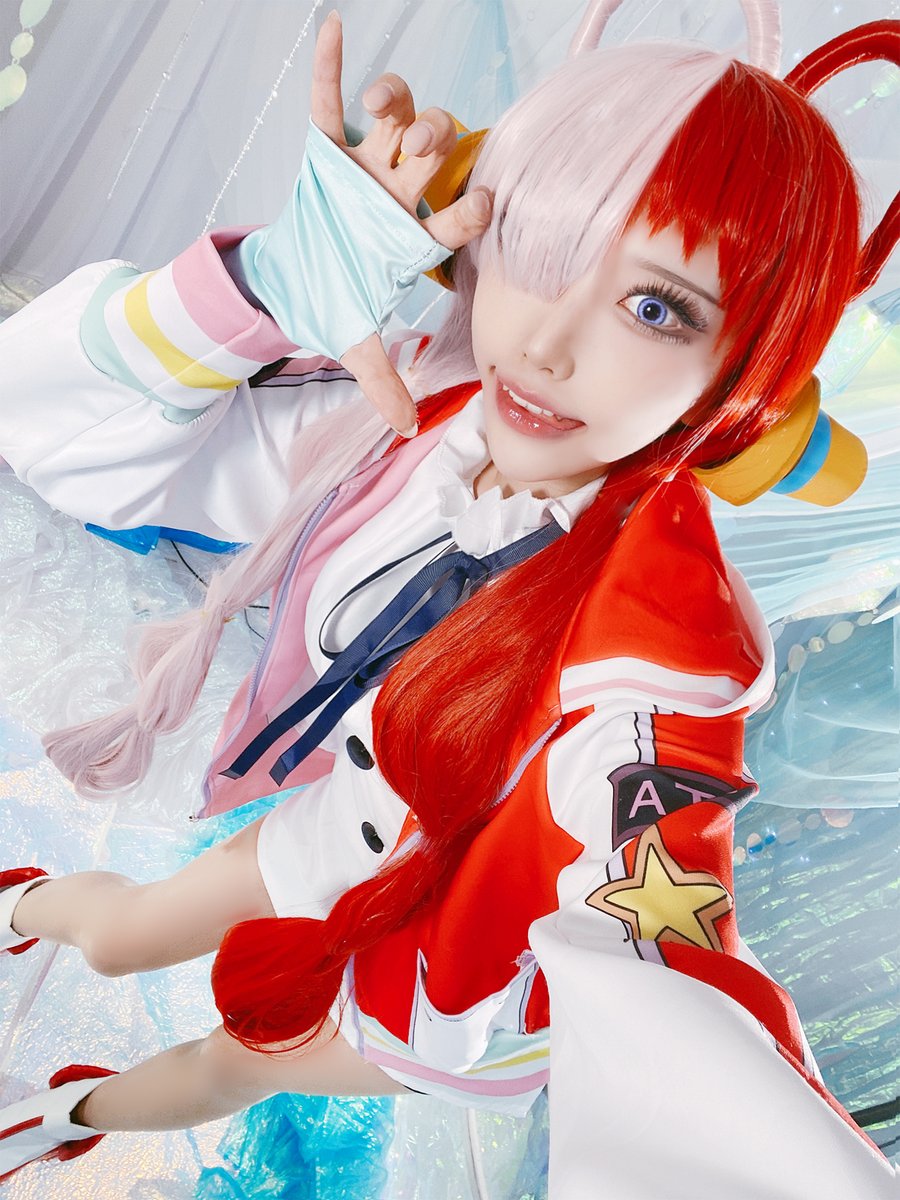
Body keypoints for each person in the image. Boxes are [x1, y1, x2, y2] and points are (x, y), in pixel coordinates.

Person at [0, 6, 897, 1196]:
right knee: (119, 933)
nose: (549, 345)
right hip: (315, 831)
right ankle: (28, 908)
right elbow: (45, 429)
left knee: (231, 1065)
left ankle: (58, 1116)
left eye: (655, 308)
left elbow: (666, 919)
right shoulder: (407, 416)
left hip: (442, 966)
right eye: (546, 247)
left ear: (741, 390)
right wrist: (256, 289)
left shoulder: (662, 644)